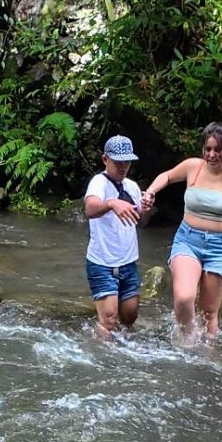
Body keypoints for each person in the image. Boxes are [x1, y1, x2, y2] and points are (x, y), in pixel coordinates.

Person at [141, 122, 222, 338]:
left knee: (208, 313)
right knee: (184, 298)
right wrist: (151, 191)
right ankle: (188, 342)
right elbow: (167, 176)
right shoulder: (193, 166)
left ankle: (208, 354)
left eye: (217, 150)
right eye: (207, 149)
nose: (211, 154)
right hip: (188, 240)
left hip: (221, 248)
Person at [84, 135, 152, 339]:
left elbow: (139, 220)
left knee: (130, 316)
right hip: (102, 262)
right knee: (110, 319)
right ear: (105, 159)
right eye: (118, 162)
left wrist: (146, 208)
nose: (123, 167)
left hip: (128, 262)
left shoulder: (131, 186)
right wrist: (112, 204)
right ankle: (103, 355)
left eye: (127, 163)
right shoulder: (99, 182)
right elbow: (89, 208)